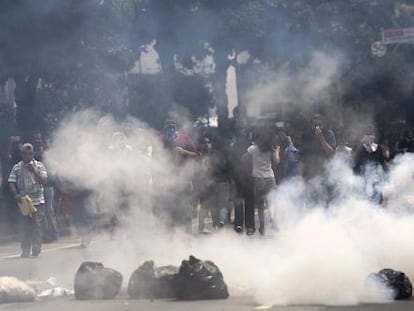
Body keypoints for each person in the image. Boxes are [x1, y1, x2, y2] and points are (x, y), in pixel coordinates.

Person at [8, 143, 48, 257]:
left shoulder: (39, 166)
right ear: (22, 154)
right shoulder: (17, 167)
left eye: (30, 154)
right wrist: (16, 194)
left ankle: (36, 248)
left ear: (33, 154)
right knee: (25, 226)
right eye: (25, 154)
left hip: (38, 201)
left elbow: (44, 181)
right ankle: (25, 250)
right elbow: (11, 182)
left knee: (37, 225)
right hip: (24, 201)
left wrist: (34, 171)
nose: (27, 157)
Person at [160, 119, 198, 232]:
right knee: (170, 209)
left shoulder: (184, 138)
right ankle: (171, 235)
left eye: (172, 126)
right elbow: (156, 158)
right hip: (168, 180)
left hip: (184, 178)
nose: (170, 129)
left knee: (185, 207)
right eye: (168, 127)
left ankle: (187, 233)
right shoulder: (162, 140)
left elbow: (196, 155)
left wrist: (183, 152)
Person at [243, 127, 280, 236]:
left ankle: (262, 227)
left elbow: (243, 159)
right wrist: (277, 151)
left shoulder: (253, 149)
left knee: (260, 205)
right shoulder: (270, 148)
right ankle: (273, 220)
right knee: (272, 202)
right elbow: (277, 161)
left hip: (258, 179)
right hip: (270, 178)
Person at [31, 131, 58, 242]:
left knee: (49, 211)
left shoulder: (46, 153)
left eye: (38, 138)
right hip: (38, 186)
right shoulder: (32, 155)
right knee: (41, 212)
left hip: (48, 185)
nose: (37, 140)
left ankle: (54, 233)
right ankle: (46, 234)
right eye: (35, 138)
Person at [300, 114, 336, 179]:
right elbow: (302, 158)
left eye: (319, 125)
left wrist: (321, 138)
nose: (317, 127)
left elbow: (331, 154)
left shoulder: (329, 134)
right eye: (315, 125)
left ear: (323, 125)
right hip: (310, 174)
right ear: (311, 125)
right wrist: (301, 177)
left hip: (326, 174)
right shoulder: (306, 136)